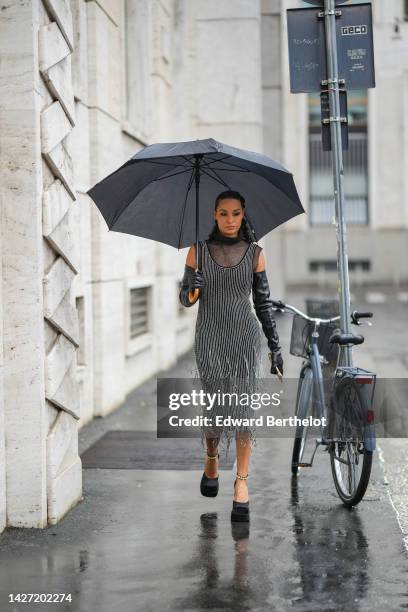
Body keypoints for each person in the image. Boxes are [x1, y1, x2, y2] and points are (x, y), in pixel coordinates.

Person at [179, 190, 283, 522]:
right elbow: (186, 299)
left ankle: (241, 481)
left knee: (243, 409)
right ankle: (211, 457)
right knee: (215, 407)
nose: (229, 220)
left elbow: (264, 304)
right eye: (223, 213)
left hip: (245, 338)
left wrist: (275, 347)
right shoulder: (197, 251)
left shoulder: (255, 254)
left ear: (243, 215)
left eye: (235, 213)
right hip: (210, 336)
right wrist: (192, 288)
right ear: (214, 214)